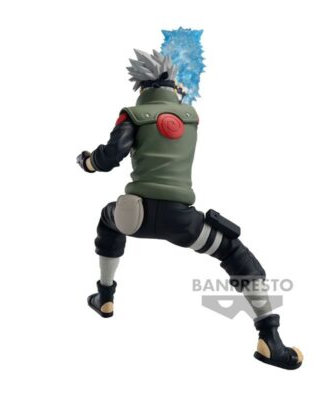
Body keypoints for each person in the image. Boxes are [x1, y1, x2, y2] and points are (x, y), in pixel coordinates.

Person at [77, 49, 303, 370]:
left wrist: (88, 161)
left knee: (108, 220)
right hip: (181, 221)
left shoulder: (132, 114)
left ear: (140, 85)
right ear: (171, 84)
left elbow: (111, 156)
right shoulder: (191, 116)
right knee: (234, 252)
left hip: (134, 216)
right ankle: (270, 339)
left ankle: (105, 296)